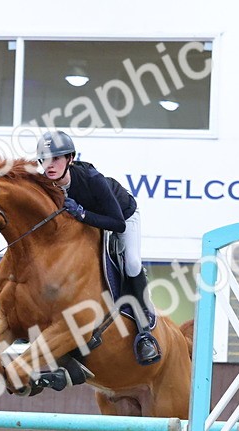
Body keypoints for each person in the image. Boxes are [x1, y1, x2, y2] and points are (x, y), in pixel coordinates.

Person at [36, 130, 161, 365]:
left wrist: (82, 214)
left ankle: (145, 329)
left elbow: (117, 224)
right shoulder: (45, 184)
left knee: (132, 262)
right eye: (44, 160)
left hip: (123, 215)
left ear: (70, 159)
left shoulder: (91, 178)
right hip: (88, 222)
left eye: (56, 158)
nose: (49, 165)